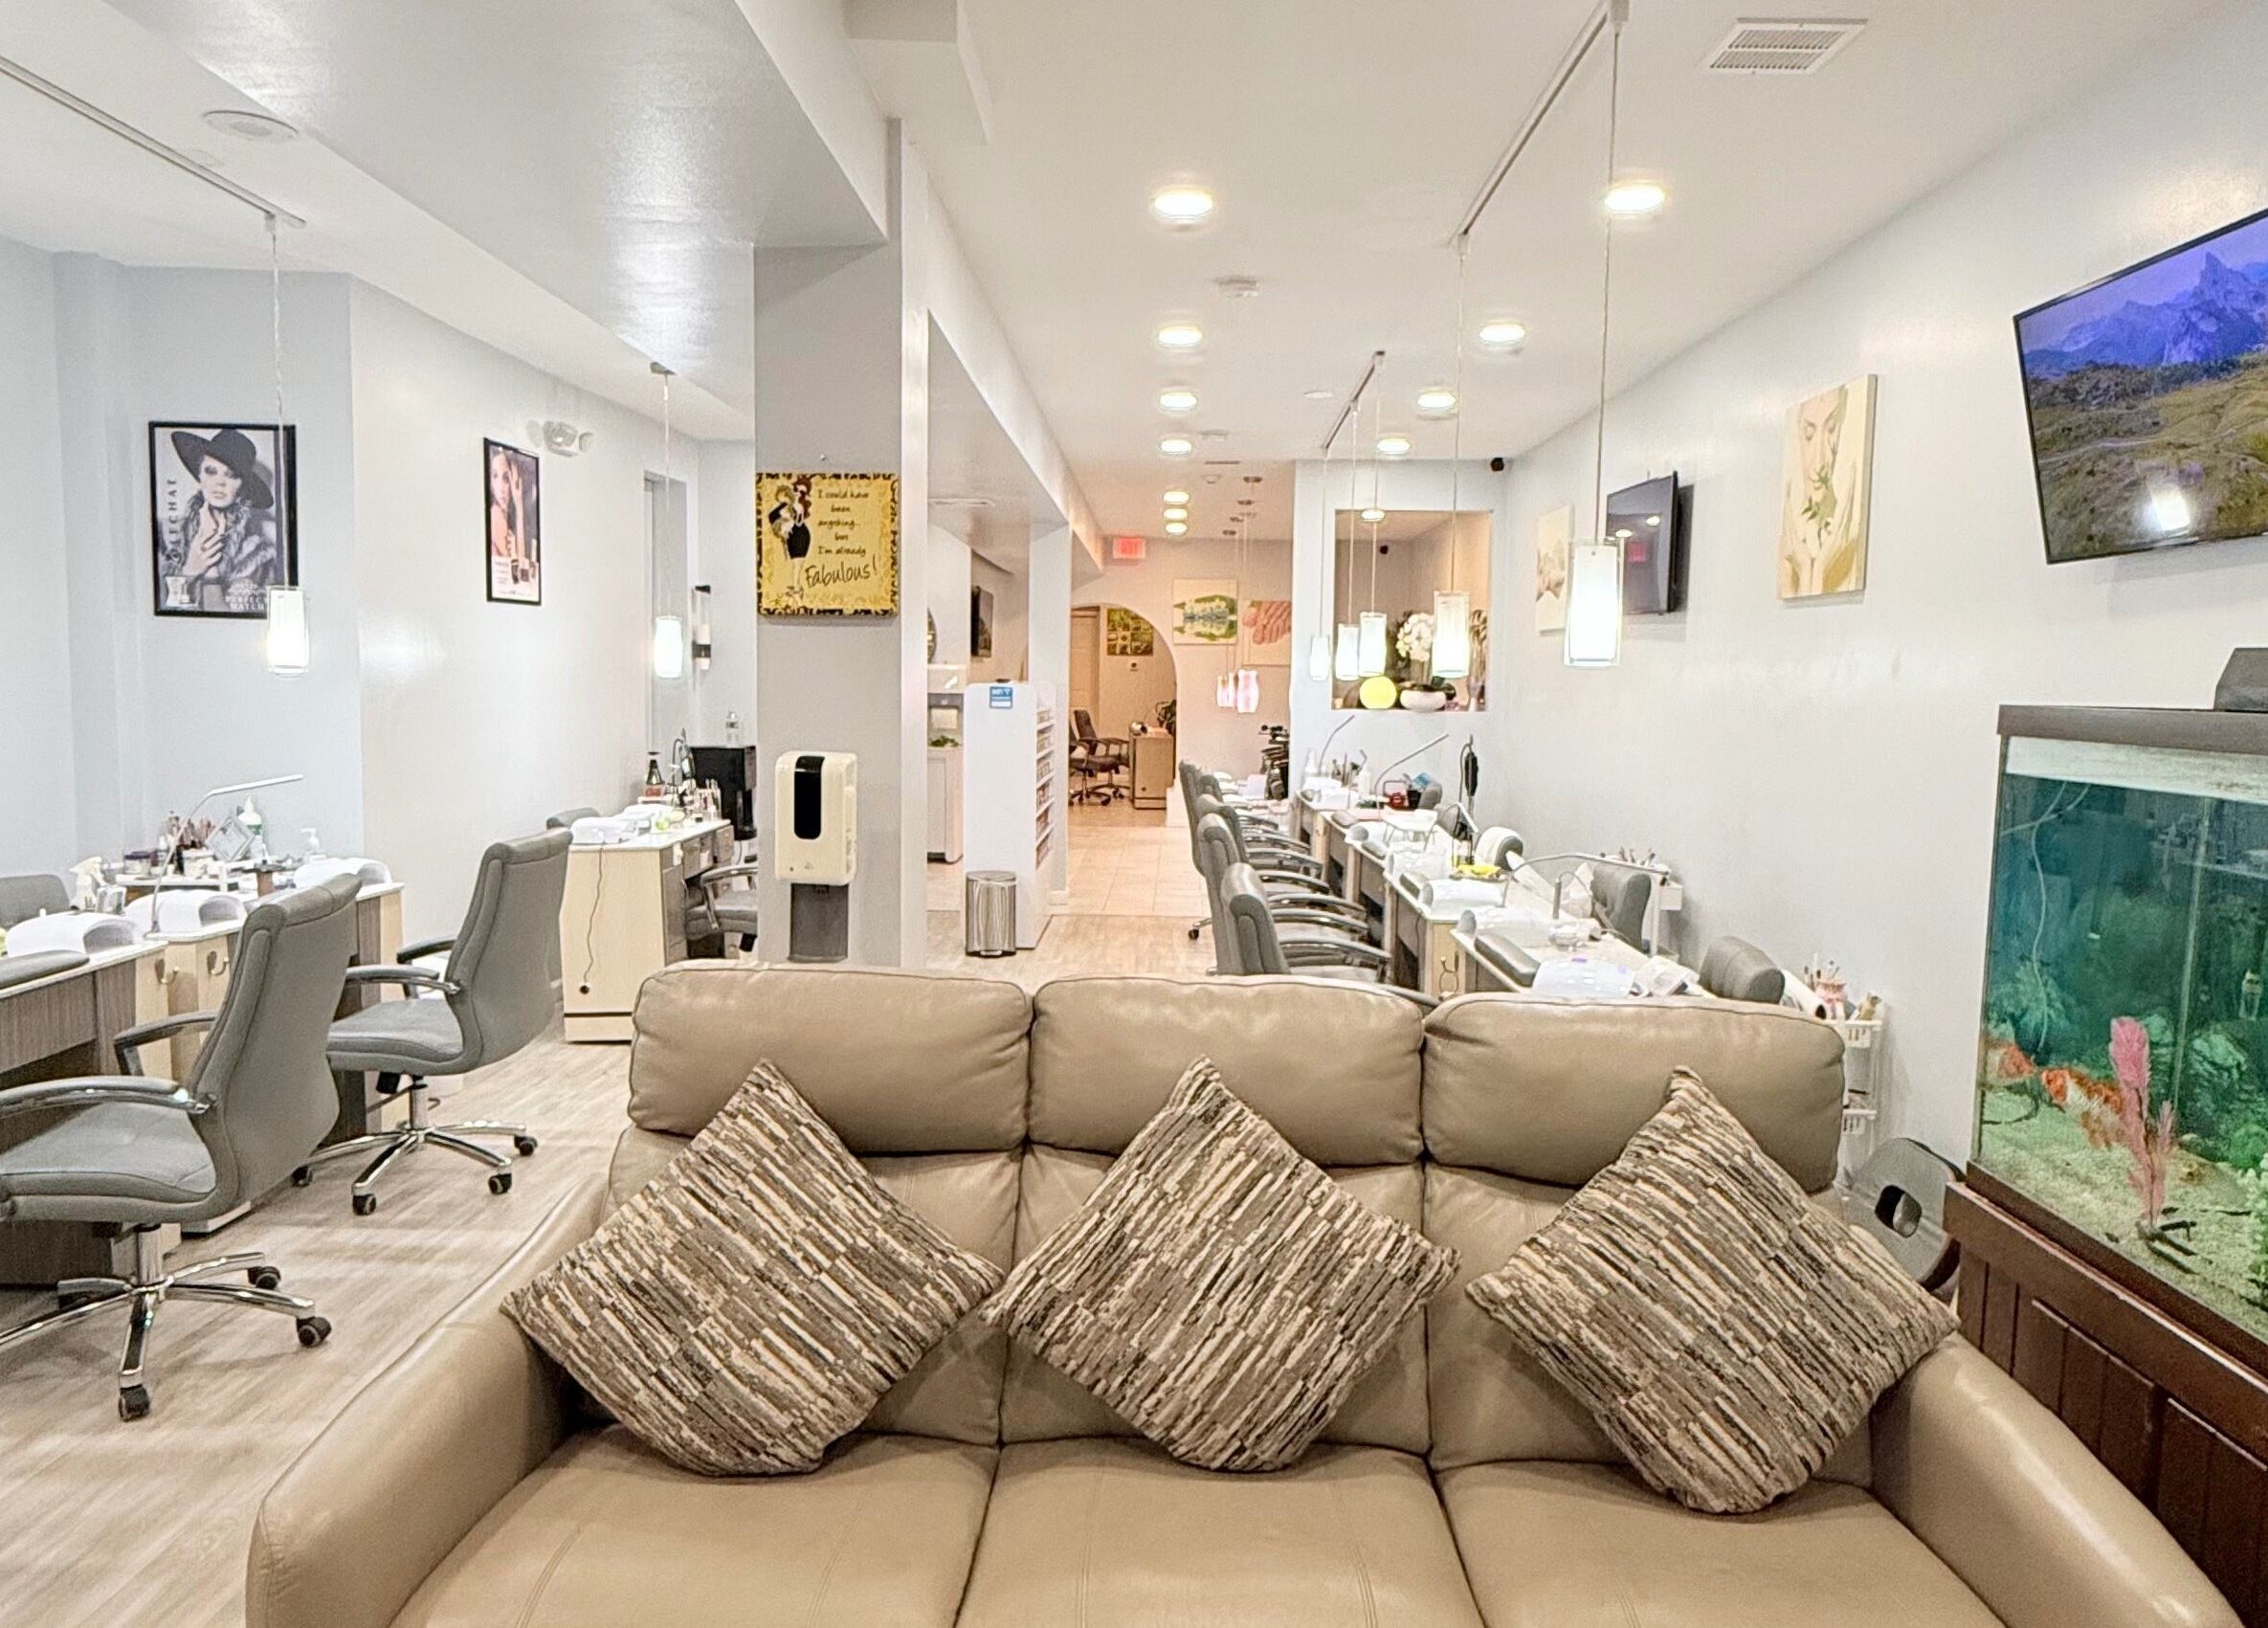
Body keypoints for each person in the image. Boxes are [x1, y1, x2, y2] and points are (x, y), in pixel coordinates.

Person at [159, 427, 279, 613]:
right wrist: (189, 571)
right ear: (199, 477)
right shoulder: (165, 536)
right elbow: (159, 616)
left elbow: (233, 627)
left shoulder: (258, 554)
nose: (220, 482)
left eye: (231, 475)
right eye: (210, 471)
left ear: (243, 487)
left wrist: (211, 570)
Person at [767, 498, 812, 603]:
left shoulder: (792, 517)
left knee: (797, 565)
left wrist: (787, 504)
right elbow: (773, 517)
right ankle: (796, 591)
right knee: (796, 566)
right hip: (796, 539)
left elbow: (797, 511)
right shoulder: (782, 521)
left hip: (800, 538)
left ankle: (796, 591)